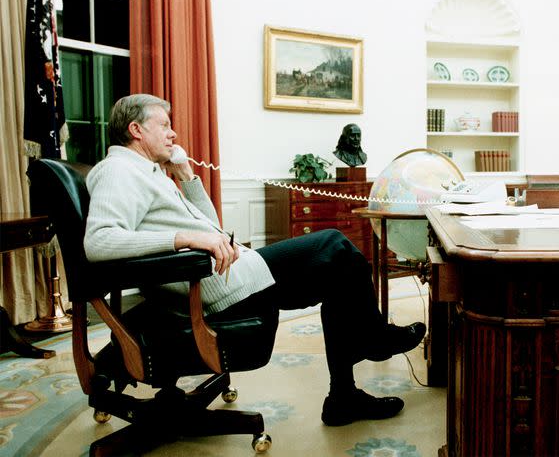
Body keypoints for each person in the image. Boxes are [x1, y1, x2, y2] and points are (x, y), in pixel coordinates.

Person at [84, 94, 425, 426]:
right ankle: (374, 340)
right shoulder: (118, 170)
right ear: (136, 130)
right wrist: (185, 238)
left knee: (340, 276)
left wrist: (186, 176)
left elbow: (212, 227)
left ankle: (343, 396)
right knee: (335, 244)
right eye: (165, 125)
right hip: (211, 284)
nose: (173, 134)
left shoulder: (151, 172)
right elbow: (99, 241)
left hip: (226, 274)